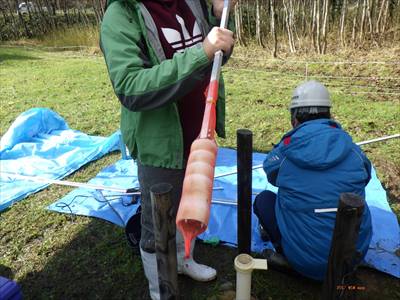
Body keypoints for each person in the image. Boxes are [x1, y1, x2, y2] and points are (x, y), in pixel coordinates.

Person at [100, 0, 235, 298]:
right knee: (157, 220)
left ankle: (185, 259)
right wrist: (202, 53)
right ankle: (160, 289)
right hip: (158, 141)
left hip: (200, 131)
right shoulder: (121, 14)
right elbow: (130, 87)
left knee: (192, 204)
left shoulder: (193, 2)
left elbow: (216, 57)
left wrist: (218, 18)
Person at [253, 80, 373, 281]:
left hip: (304, 262)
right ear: (329, 115)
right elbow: (366, 177)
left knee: (264, 200)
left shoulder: (285, 154)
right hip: (351, 258)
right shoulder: (354, 151)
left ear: (294, 119)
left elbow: (271, 173)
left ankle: (285, 254)